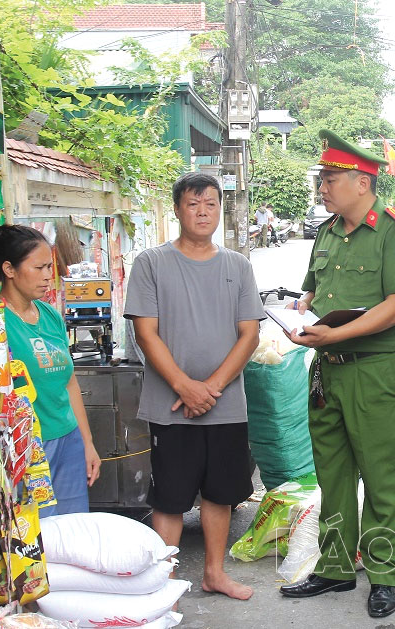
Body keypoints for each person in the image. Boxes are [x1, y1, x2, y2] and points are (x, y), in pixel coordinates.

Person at [278, 129, 395, 619]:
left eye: (332, 177)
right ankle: (336, 566)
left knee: (381, 476)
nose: (323, 186)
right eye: (322, 177)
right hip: (328, 373)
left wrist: (337, 336)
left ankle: (383, 576)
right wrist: (300, 307)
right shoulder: (326, 232)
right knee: (333, 473)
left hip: (374, 371)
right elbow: (313, 293)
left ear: (363, 182)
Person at [124, 171, 264, 600]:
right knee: (169, 496)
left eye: (211, 204)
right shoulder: (151, 263)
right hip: (170, 404)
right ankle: (162, 583)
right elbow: (147, 334)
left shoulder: (238, 265)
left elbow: (250, 334)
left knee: (220, 493)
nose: (203, 212)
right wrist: (185, 387)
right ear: (178, 209)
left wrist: (210, 389)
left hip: (224, 404)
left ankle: (214, 574)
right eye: (193, 204)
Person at [0, 225, 101, 516]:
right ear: (9, 269)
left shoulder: (49, 315)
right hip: (19, 447)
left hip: (67, 439)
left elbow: (69, 383)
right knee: (32, 541)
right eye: (40, 267)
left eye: (50, 266)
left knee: (71, 534)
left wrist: (87, 443)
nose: (49, 275)